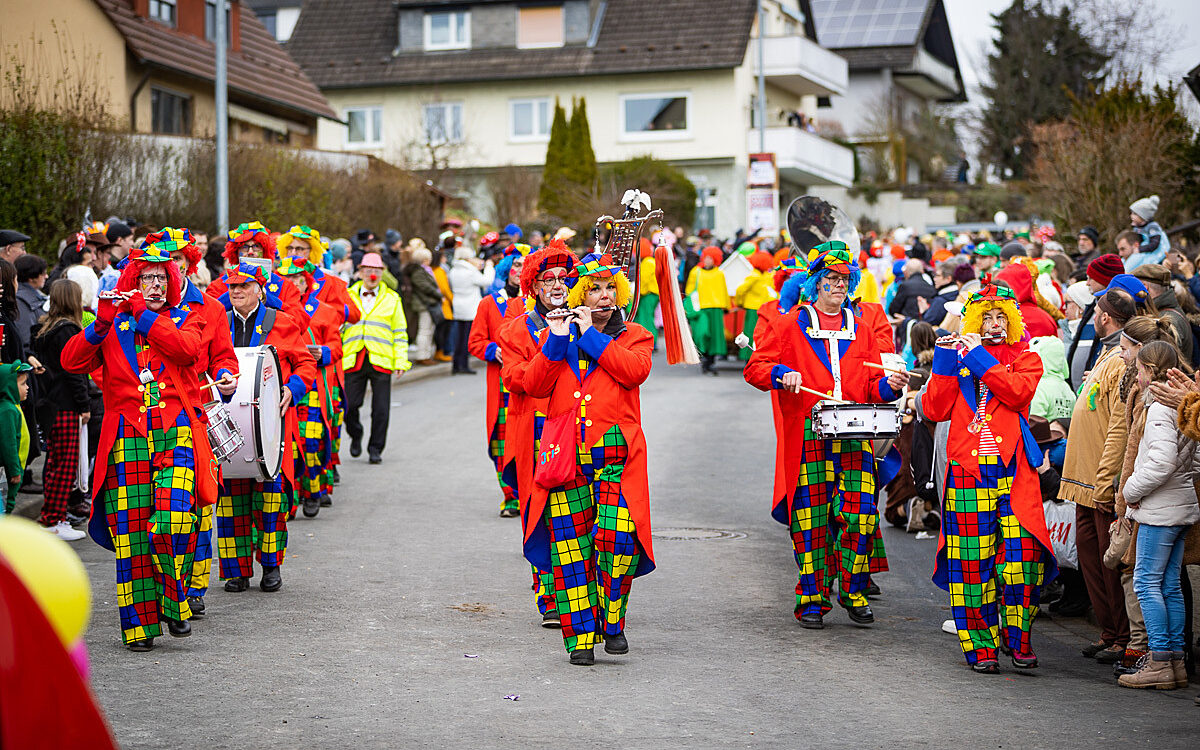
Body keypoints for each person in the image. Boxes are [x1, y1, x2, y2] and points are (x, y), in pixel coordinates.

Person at [746, 242, 908, 628]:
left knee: (862, 515)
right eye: (831, 278)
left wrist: (891, 385)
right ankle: (812, 598)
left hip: (855, 432)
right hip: (809, 434)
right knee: (811, 520)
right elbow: (755, 368)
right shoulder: (789, 325)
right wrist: (779, 375)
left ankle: (852, 590)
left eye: (844, 279)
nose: (838, 285)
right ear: (816, 282)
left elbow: (873, 386)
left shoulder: (863, 329)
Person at [61, 242, 212, 651]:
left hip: (175, 430)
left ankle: (174, 598)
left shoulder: (188, 317)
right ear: (133, 281)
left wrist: (143, 316)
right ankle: (140, 629)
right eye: (147, 277)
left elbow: (186, 351)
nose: (155, 284)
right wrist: (98, 327)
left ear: (173, 281)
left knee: (174, 520)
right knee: (131, 536)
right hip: (127, 435)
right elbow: (71, 363)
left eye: (162, 277)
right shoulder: (112, 325)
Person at [519, 252, 656, 666]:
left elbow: (633, 372)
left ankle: (612, 622)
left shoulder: (635, 335)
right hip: (567, 460)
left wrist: (592, 337)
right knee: (571, 550)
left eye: (610, 287)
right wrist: (559, 339)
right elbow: (533, 385)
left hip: (616, 457)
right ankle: (580, 638)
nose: (603, 295)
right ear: (581, 293)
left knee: (618, 541)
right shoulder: (557, 335)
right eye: (594, 288)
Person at [922, 277, 1057, 672]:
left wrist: (980, 356)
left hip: (1014, 472)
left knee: (1020, 561)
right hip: (968, 472)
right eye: (987, 317)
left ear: (1012, 320)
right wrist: (947, 361)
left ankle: (1018, 641)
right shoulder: (960, 356)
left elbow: (1017, 394)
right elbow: (933, 409)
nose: (995, 323)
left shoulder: (1027, 358)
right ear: (974, 322)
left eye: (1001, 316)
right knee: (971, 565)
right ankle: (981, 648)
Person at [154, 227, 239, 616]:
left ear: (190, 265)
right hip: (148, 421)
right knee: (157, 513)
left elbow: (225, 356)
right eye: (163, 263)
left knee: (202, 504)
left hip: (196, 416)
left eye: (177, 262)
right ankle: (161, 586)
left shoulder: (211, 307)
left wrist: (226, 376)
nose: (170, 269)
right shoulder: (136, 310)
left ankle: (194, 587)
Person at [217, 263, 316, 594]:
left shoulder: (280, 322)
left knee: (270, 500)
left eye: (243, 286)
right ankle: (237, 571)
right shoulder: (220, 323)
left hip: (272, 428)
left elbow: (305, 362)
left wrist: (293, 388)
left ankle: (271, 566)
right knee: (231, 502)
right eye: (231, 287)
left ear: (260, 289)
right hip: (228, 426)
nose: (235, 292)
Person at [498, 240, 578, 627]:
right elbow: (520, 380)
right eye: (549, 278)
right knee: (539, 512)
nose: (558, 284)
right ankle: (548, 596)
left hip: (577, 429)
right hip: (536, 432)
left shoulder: (585, 323)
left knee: (579, 515)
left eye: (565, 277)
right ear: (533, 286)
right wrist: (555, 341)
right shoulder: (515, 331)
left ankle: (579, 593)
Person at [1117, 341, 1199, 689]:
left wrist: (1131, 491)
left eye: (1137, 369)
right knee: (1169, 586)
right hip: (1179, 507)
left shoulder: (1161, 409)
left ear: (1150, 371)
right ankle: (1175, 662)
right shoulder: (1181, 406)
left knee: (1147, 583)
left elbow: (1161, 462)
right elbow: (1191, 460)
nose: (1134, 376)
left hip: (1160, 511)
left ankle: (1160, 661)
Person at [278, 257, 342, 517]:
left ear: (306, 283)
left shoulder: (326, 311)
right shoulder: (277, 312)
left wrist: (323, 353)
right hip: (285, 385)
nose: (291, 283)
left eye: (296, 279)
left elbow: (337, 347)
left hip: (314, 385)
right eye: (286, 279)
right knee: (288, 446)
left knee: (312, 441)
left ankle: (313, 491)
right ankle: (291, 500)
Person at [29, 280, 89, 540]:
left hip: (48, 403)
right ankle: (55, 519)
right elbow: (74, 372)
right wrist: (84, 405)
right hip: (66, 405)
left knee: (54, 464)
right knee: (65, 466)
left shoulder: (43, 328)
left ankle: (53, 516)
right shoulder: (68, 330)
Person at [467, 248, 525, 518]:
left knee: (529, 441)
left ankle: (530, 495)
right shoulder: (489, 304)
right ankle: (510, 496)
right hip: (500, 388)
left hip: (528, 385)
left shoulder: (536, 304)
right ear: (505, 269)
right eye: (515, 265)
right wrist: (493, 350)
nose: (519, 270)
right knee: (501, 442)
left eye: (525, 265)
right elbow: (475, 342)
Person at [342, 253, 410, 464]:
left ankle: (375, 448)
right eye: (369, 270)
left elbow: (400, 332)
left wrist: (401, 361)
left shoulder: (393, 298)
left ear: (383, 273)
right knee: (349, 406)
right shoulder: (348, 295)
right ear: (360, 271)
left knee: (380, 409)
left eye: (378, 271)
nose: (373, 274)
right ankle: (356, 434)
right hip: (353, 357)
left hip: (382, 359)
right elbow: (339, 328)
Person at [206, 221, 302, 311]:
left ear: (265, 251)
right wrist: (235, 293)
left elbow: (299, 320)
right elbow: (208, 315)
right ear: (235, 252)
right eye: (244, 247)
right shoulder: (218, 286)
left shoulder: (285, 286)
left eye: (256, 247)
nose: (251, 252)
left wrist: (268, 298)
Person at [448, 246, 495, 375]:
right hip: (470, 306)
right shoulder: (469, 271)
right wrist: (489, 267)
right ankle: (464, 365)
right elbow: (487, 281)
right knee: (467, 338)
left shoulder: (453, 270)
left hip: (458, 305)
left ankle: (456, 364)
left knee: (459, 337)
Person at [686, 246, 730, 375]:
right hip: (701, 309)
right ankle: (704, 357)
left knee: (715, 337)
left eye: (710, 258)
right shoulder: (696, 272)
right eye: (706, 257)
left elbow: (723, 290)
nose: (707, 260)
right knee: (703, 333)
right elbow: (689, 290)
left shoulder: (719, 273)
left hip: (716, 308)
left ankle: (710, 362)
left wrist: (726, 306)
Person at [0, 361, 33, 512]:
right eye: (23, 384)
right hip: (7, 472)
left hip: (11, 470)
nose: (27, 388)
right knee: (5, 506)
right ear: (10, 386)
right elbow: (9, 444)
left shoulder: (13, 406)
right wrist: (14, 471)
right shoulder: (7, 410)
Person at [734, 250, 777, 361]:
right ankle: (750, 357)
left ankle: (751, 356)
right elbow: (740, 290)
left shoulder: (757, 275)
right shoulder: (762, 276)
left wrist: (740, 302)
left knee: (752, 333)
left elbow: (740, 290)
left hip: (755, 308)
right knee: (754, 334)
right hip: (759, 309)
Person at [403, 247, 443, 365]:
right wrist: (438, 294)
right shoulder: (418, 272)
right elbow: (425, 287)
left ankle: (426, 354)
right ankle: (422, 355)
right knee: (424, 330)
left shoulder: (423, 270)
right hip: (424, 304)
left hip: (426, 303)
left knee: (428, 329)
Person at [13, 254, 48, 355]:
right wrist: (29, 356)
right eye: (43, 273)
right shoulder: (21, 302)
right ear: (32, 277)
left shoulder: (35, 298)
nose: (46, 276)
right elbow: (25, 338)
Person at [1125, 195, 1170, 272]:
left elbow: (1154, 244)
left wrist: (1140, 249)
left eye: (1135, 214)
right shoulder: (1138, 226)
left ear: (1143, 215)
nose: (1131, 216)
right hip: (1143, 248)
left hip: (1153, 251)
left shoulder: (1152, 227)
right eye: (1132, 213)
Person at [632, 240, 660, 349]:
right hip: (652, 294)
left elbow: (643, 282)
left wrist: (637, 295)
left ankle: (651, 342)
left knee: (646, 318)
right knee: (648, 317)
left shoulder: (647, 263)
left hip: (648, 295)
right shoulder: (650, 261)